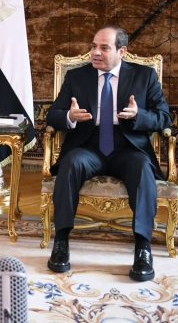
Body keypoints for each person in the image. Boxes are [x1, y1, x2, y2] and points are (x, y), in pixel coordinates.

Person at [45, 25, 170, 282]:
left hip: (128, 147)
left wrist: (139, 115)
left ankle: (143, 248)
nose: (95, 52)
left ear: (121, 51)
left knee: (142, 167)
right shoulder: (77, 77)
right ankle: (61, 241)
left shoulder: (144, 76)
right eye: (93, 46)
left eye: (104, 47)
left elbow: (164, 117)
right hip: (88, 146)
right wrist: (70, 116)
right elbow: (53, 115)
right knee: (71, 163)